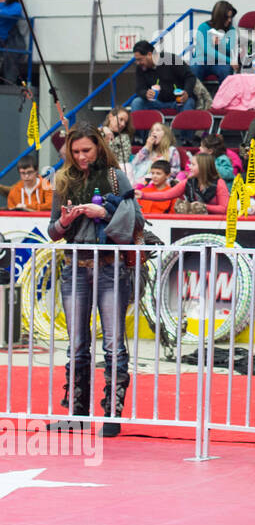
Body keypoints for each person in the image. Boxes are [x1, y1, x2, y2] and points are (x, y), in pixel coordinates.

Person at [47, 124, 142, 436]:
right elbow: (52, 230)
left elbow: (136, 218)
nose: (81, 156)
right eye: (75, 152)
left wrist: (102, 215)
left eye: (86, 150)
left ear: (99, 147)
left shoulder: (116, 177)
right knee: (76, 343)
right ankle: (77, 413)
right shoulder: (63, 179)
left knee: (114, 342)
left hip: (110, 265)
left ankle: (112, 415)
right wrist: (65, 220)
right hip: (74, 265)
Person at [124, 40, 196, 112]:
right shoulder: (140, 68)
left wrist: (187, 92)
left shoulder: (171, 59)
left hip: (178, 100)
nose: (138, 63)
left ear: (149, 54)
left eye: (140, 59)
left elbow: (190, 77)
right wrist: (146, 93)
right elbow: (139, 89)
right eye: (136, 60)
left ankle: (186, 123)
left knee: (188, 102)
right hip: (156, 102)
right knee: (137, 102)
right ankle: (135, 123)